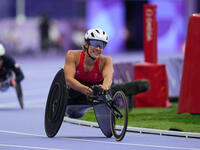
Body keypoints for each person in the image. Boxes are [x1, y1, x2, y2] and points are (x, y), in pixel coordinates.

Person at [64, 28, 149, 104]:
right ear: (86, 44)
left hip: (96, 92)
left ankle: (141, 85)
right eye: (95, 43)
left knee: (114, 89)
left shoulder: (106, 60)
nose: (98, 48)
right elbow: (68, 80)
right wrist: (87, 90)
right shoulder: (72, 55)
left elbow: (108, 78)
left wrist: (104, 88)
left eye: (101, 45)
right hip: (75, 93)